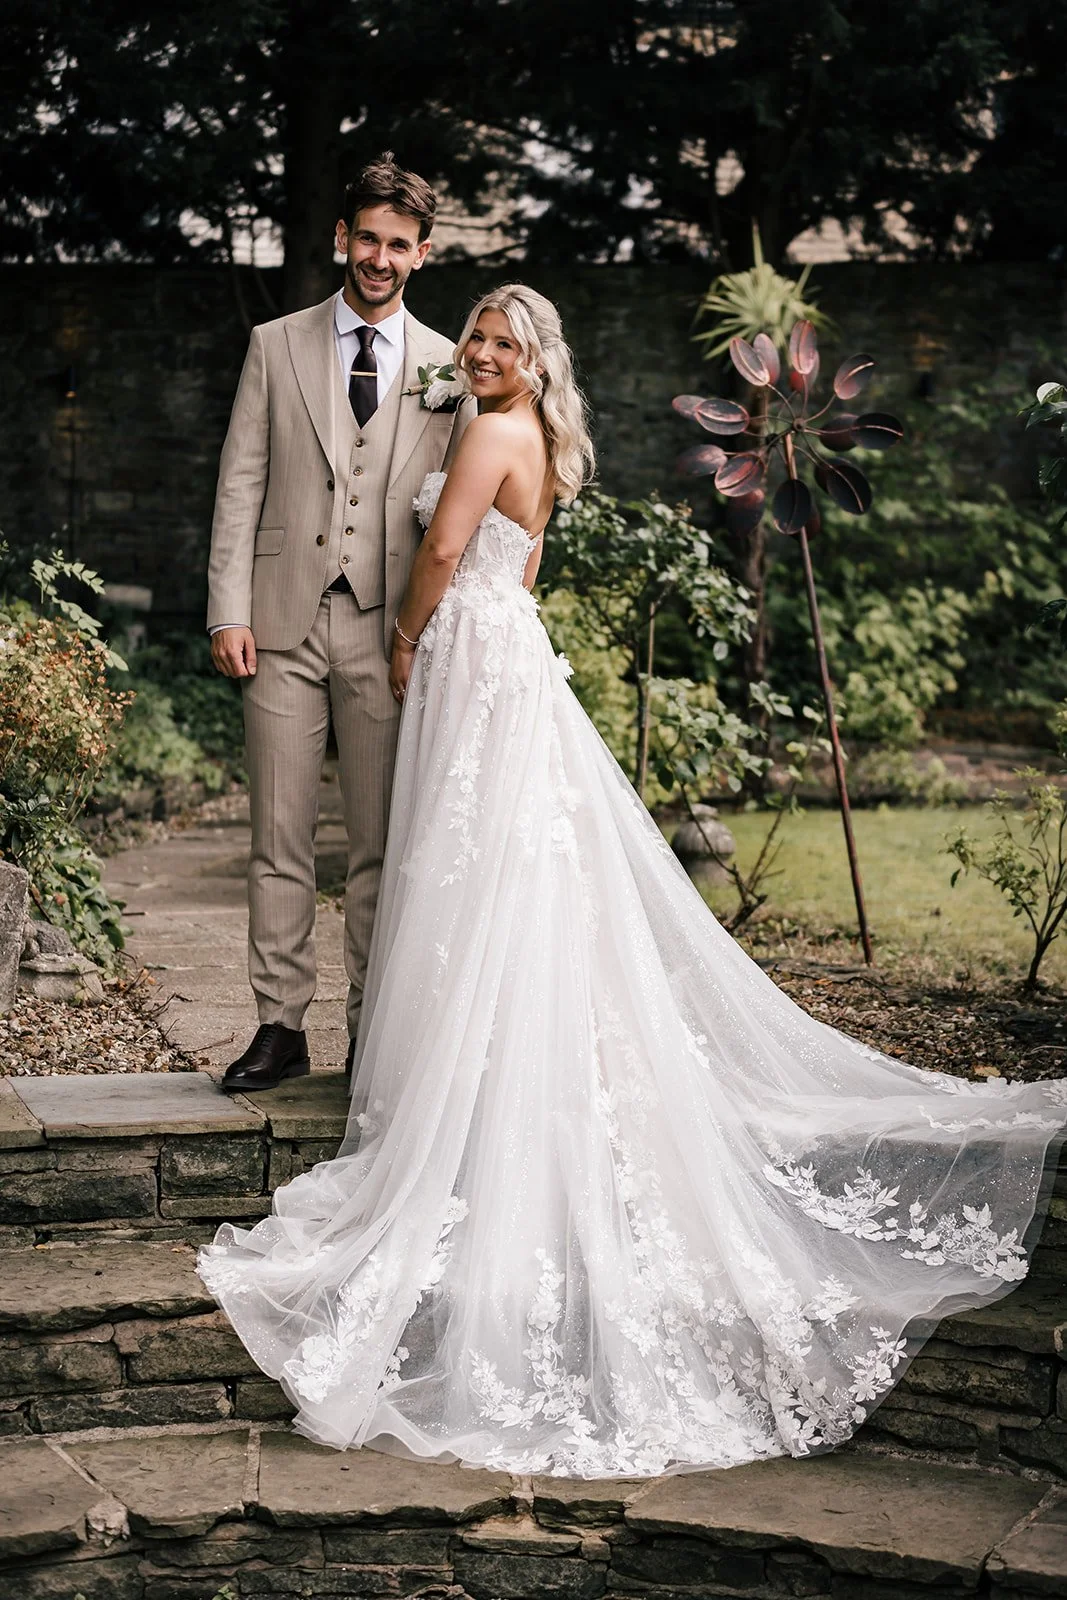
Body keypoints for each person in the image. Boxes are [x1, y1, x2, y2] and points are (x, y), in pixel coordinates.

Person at [199, 284, 1067, 1479]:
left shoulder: (493, 431)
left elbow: (446, 551)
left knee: (472, 871)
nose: (487, 356)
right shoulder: (540, 436)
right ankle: (496, 1057)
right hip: (507, 653)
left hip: (467, 653)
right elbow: (522, 558)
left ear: (533, 359)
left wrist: (406, 643)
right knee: (499, 870)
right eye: (481, 342)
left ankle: (473, 1090)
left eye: (505, 343)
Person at [206, 153, 472, 1093]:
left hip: (387, 629)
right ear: (341, 240)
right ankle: (279, 1027)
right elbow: (240, 481)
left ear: (422, 254)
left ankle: (372, 1030)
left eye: (400, 245)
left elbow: (461, 507)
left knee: (379, 845)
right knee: (276, 838)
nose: (381, 258)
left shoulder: (451, 364)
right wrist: (225, 609)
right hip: (278, 622)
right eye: (368, 238)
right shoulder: (275, 344)